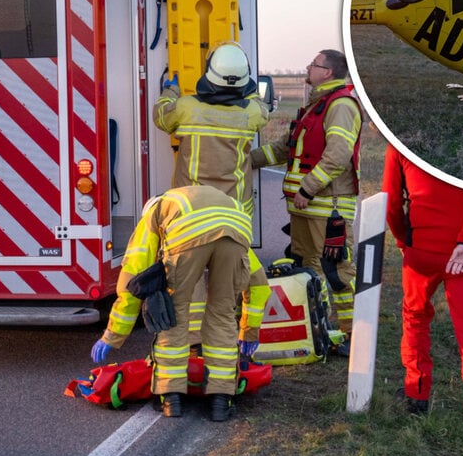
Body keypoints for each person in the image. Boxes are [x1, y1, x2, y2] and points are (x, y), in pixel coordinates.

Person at [90, 185, 252, 422]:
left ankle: (170, 398)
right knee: (222, 314)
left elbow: (132, 279)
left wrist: (112, 335)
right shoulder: (198, 202)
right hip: (239, 229)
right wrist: (250, 330)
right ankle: (221, 401)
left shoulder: (154, 215)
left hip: (189, 233)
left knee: (172, 314)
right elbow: (258, 282)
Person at [382, 145, 463, 451]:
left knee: (415, 317)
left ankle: (416, 392)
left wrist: (402, 239)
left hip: (421, 248)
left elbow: (391, 202)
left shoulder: (398, 144)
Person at [251, 49, 361, 354]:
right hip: (307, 207)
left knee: (337, 272)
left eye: (314, 64)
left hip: (326, 205)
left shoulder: (340, 105)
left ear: (327, 72)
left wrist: (308, 189)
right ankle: (318, 327)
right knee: (305, 267)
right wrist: (247, 161)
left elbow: (338, 155)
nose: (307, 67)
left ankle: (352, 337)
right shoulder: (315, 106)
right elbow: (285, 149)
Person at [153, 42, 269, 216]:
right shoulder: (252, 112)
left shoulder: (187, 107)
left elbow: (160, 116)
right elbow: (262, 108)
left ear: (209, 72)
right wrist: (249, 90)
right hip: (236, 210)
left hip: (192, 208)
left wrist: (170, 90)